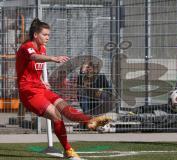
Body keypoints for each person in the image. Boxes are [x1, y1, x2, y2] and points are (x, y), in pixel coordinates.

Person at [16, 18, 111, 160]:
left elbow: (32, 69)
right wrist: (53, 58)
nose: (48, 37)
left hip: (41, 89)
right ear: (36, 35)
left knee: (65, 109)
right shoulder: (27, 47)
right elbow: (34, 57)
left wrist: (42, 80)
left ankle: (91, 121)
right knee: (56, 115)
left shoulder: (43, 48)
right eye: (45, 34)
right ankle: (68, 150)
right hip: (29, 92)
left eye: (49, 35)